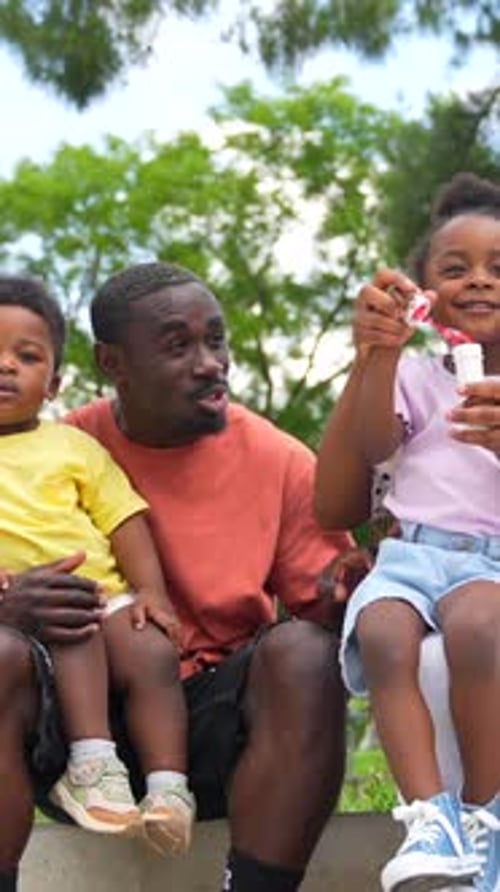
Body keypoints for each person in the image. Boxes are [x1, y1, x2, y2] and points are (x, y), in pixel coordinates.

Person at [0, 261, 353, 892]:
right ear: (114, 365)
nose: (210, 362)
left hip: (211, 726)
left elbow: (331, 612)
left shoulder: (281, 461)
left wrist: (355, 590)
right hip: (75, 726)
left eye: (216, 340)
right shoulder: (60, 444)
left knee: (305, 652)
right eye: (177, 346)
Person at [315, 171, 500, 892]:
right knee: (387, 634)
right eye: (455, 270)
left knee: (481, 629)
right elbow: (360, 458)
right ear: (424, 293)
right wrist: (378, 355)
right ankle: (432, 819)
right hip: (411, 559)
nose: (479, 282)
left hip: (486, 569)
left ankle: (485, 814)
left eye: (498, 269)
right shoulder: (419, 377)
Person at [0, 276, 195, 862]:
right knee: (74, 618)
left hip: (96, 590)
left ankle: (168, 791)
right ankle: (92, 766)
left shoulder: (74, 447)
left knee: (151, 650)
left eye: (26, 356)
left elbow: (124, 520)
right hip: (20, 609)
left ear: (54, 384)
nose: (4, 366)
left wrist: (151, 593)